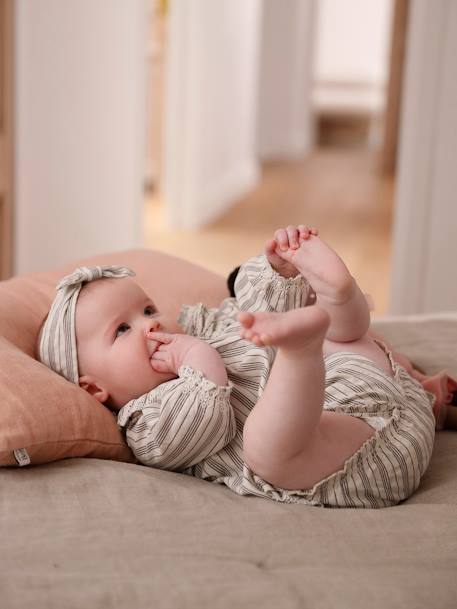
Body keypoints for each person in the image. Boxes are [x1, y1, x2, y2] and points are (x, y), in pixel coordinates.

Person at [38, 225, 456, 508]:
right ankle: (306, 347)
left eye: (147, 308)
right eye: (123, 330)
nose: (151, 324)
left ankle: (339, 298)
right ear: (94, 389)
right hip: (357, 459)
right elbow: (206, 420)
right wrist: (197, 360)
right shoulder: (145, 422)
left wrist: (275, 271)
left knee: (340, 336)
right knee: (266, 451)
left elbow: (246, 310)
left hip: (373, 394)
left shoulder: (199, 328)